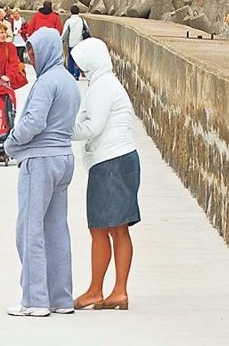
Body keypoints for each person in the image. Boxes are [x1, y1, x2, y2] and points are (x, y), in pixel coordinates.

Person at [3, 27, 81, 317]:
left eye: (33, 51)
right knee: (57, 230)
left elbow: (33, 123)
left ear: (47, 49)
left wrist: (11, 142)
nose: (30, 57)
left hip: (41, 161)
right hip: (63, 159)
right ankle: (61, 299)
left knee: (29, 230)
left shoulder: (46, 82)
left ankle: (34, 299)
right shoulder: (70, 81)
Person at [69, 38, 141, 311]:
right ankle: (117, 290)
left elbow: (92, 127)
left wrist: (61, 131)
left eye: (81, 61)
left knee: (100, 229)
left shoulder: (103, 87)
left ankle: (97, 290)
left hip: (111, 163)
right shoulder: (107, 83)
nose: (80, 67)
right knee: (117, 229)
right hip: (121, 161)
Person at [61, 5, 85, 80]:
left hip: (72, 42)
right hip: (80, 43)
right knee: (78, 59)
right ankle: (77, 74)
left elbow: (65, 33)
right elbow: (87, 30)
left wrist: (61, 41)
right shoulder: (82, 20)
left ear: (71, 12)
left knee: (71, 58)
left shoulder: (69, 21)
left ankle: (71, 74)